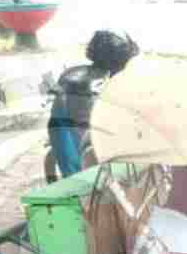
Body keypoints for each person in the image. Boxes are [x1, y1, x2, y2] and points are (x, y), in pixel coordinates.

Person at [48, 30, 138, 179]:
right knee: (83, 180)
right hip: (71, 133)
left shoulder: (74, 72)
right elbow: (89, 125)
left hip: (61, 126)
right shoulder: (98, 83)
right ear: (118, 63)